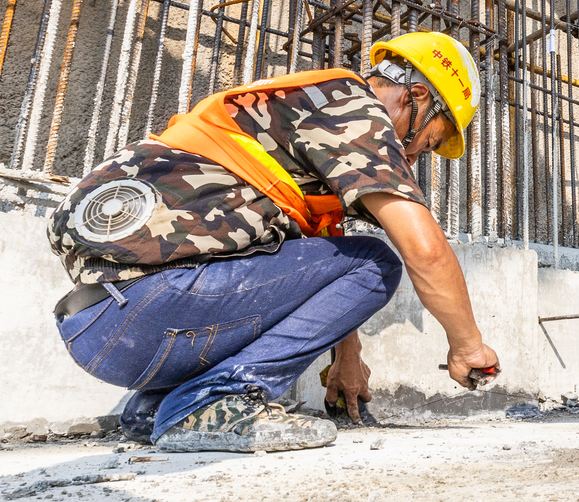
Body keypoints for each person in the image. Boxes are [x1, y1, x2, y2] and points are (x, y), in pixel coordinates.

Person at [48, 32, 500, 453]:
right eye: (426, 138)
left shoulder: (297, 116)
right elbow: (423, 248)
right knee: (377, 262)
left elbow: (317, 260)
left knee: (347, 258)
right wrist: (467, 346)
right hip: (151, 312)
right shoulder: (356, 108)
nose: (416, 153)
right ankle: (216, 402)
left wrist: (348, 356)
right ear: (415, 96)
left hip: (105, 328)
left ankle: (158, 408)